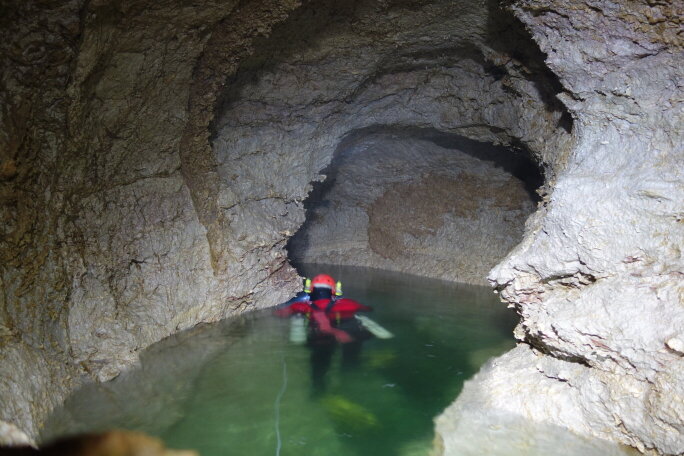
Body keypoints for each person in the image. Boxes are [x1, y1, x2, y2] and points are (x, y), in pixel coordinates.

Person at [276, 273, 373, 393]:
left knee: (320, 359)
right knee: (355, 331)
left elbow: (280, 313)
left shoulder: (300, 306)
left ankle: (318, 388)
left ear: (310, 290)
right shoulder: (348, 304)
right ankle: (350, 372)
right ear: (333, 291)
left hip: (320, 338)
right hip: (346, 333)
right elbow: (367, 309)